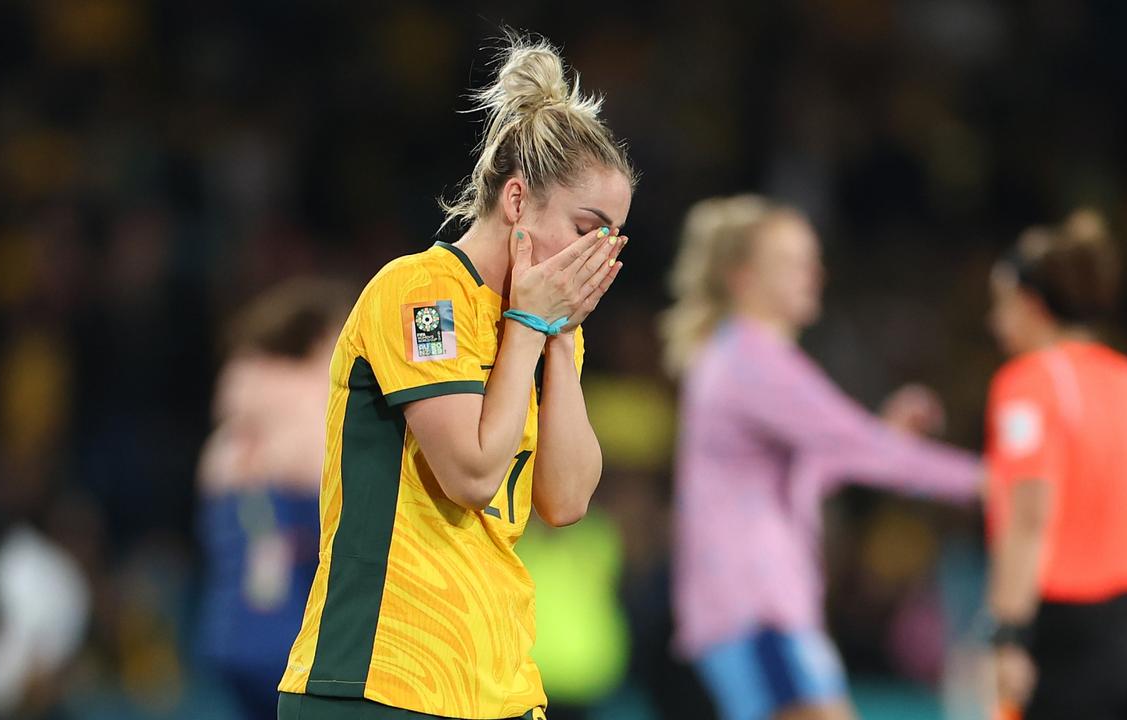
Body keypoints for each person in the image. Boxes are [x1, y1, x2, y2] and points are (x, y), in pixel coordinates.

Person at [277, 33, 635, 720]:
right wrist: (531, 331)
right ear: (518, 200)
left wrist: (556, 341)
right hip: (382, 681)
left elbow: (565, 502)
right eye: (589, 227)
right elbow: (471, 474)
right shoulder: (421, 294)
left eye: (615, 237)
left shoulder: (547, 329)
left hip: (497, 686)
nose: (601, 256)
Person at [661, 195, 982, 720]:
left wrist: (880, 438)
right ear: (743, 279)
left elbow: (806, 471)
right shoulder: (752, 361)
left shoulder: (736, 356)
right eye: (791, 262)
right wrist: (989, 480)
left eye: (812, 259)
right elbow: (858, 447)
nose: (814, 274)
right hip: (755, 611)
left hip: (760, 610)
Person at [984, 209, 1127, 720]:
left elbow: (1030, 518)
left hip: (1064, 638)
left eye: (1000, 305)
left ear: (1031, 305)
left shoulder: (1027, 386)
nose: (993, 322)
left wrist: (1007, 635)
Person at [197, 278, 354, 720]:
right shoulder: (316, 434)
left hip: (227, 635)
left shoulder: (224, 444)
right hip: (294, 647)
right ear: (324, 340)